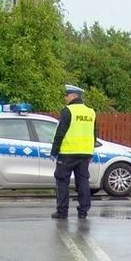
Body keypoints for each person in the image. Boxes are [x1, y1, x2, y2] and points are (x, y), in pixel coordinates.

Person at [51, 84, 98, 220]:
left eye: (66, 95)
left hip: (68, 152)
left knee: (62, 181)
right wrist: (91, 150)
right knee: (83, 181)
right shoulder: (90, 112)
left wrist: (54, 151)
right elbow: (94, 133)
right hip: (85, 153)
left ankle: (62, 211)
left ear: (73, 96)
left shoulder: (68, 111)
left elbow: (60, 132)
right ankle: (83, 211)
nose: (65, 98)